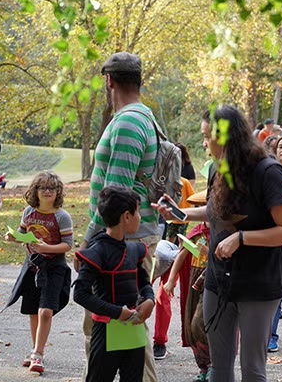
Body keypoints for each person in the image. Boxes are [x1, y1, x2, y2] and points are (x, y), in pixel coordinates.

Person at [156, 105, 282, 382]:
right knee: (218, 367)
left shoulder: (268, 172)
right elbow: (215, 210)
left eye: (207, 136)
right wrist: (181, 213)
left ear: (226, 137)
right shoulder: (217, 169)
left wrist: (242, 238)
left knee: (252, 369)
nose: (204, 142)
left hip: (259, 283)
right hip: (219, 280)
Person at [78, 52, 163, 382]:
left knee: (120, 335)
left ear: (109, 81)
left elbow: (115, 194)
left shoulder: (128, 122)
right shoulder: (142, 116)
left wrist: (89, 244)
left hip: (120, 243)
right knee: (123, 335)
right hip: (124, 240)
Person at [73, 186, 155, 382]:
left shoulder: (135, 249)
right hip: (106, 332)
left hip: (133, 330)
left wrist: (150, 299)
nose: (140, 218)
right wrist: (117, 312)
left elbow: (144, 282)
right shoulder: (98, 251)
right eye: (138, 212)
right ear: (126, 216)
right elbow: (80, 294)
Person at [2, 171, 73, 374]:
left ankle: (38, 354)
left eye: (52, 188)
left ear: (58, 192)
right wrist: (13, 237)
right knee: (33, 311)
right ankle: (36, 351)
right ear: (36, 191)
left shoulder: (62, 216)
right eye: (43, 188)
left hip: (54, 268)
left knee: (46, 311)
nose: (47, 191)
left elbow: (67, 245)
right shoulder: (29, 212)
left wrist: (46, 249)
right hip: (32, 266)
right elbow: (22, 234)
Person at [163, 211, 211, 381]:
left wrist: (208, 252)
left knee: (199, 323)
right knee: (190, 324)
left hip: (211, 280)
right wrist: (170, 280)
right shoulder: (196, 232)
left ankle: (214, 365)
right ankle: (204, 368)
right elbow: (181, 256)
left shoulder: (223, 233)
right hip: (194, 279)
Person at [153, 176, 195, 360]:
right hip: (147, 247)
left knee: (163, 295)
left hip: (171, 251)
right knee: (135, 295)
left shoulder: (182, 183)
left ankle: (159, 342)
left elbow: (193, 206)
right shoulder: (145, 183)